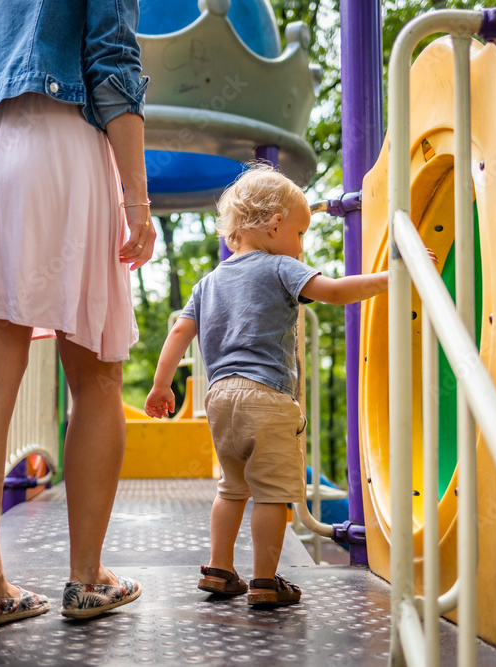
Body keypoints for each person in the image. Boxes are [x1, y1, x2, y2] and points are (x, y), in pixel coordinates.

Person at [0, 0, 153, 631]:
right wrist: (137, 198)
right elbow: (112, 65)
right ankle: (88, 577)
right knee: (97, 379)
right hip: (60, 146)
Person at [145, 165, 436, 607]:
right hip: (269, 397)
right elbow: (336, 291)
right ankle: (265, 581)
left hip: (220, 398)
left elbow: (179, 334)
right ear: (275, 224)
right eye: (300, 233)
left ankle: (220, 569)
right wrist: (394, 279)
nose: (300, 245)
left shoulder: (208, 282)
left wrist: (162, 385)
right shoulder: (282, 266)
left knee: (230, 488)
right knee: (273, 494)